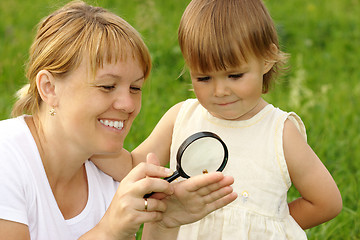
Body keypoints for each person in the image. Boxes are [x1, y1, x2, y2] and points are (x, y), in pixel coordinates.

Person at [93, 0, 343, 239]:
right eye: (203, 78)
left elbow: (326, 202)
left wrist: (272, 226)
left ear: (266, 59)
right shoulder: (181, 118)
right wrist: (86, 141)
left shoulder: (280, 132)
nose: (220, 91)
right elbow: (132, 166)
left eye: (234, 76)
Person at [0, 1, 238, 239]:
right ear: (49, 88)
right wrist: (108, 231)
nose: (128, 104)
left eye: (135, 88)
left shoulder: (106, 178)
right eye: (107, 86)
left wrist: (166, 222)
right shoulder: (6, 157)